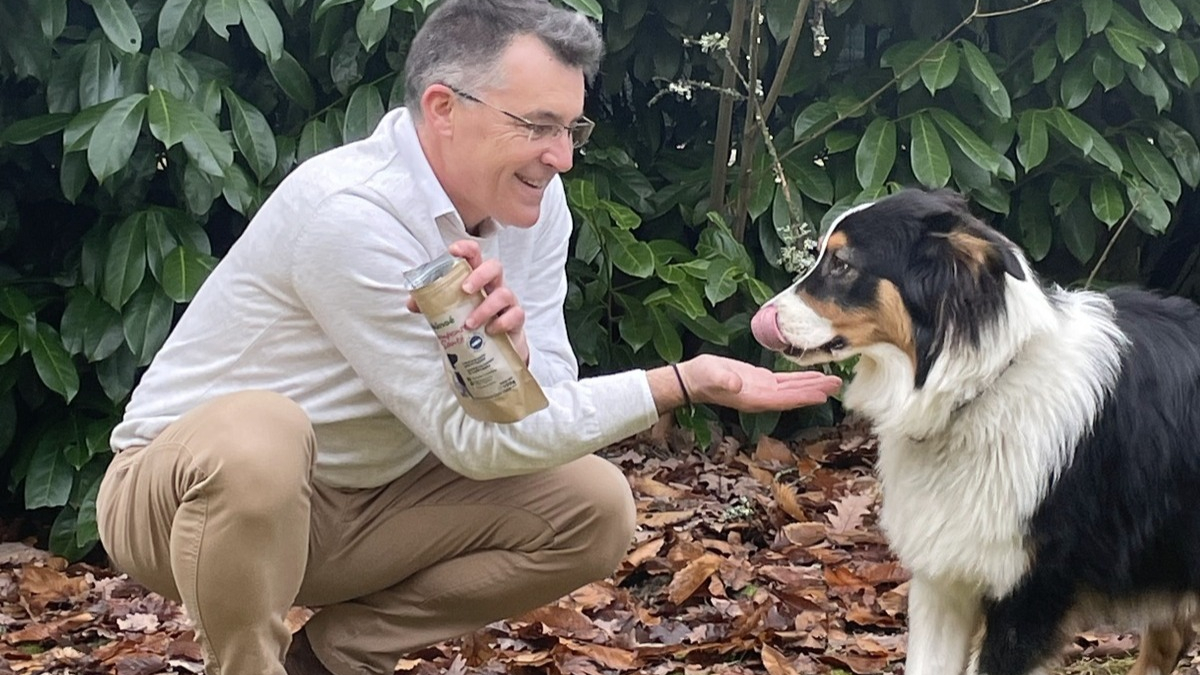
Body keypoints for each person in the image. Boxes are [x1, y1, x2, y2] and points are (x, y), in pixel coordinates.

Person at [95, 1, 843, 674]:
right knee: (263, 435)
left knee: (593, 505)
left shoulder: (537, 209)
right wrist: (677, 383)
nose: (563, 157)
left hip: (363, 505)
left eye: (571, 127)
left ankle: (332, 658)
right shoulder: (351, 214)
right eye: (538, 126)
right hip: (184, 502)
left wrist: (511, 360)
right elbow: (474, 442)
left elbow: (535, 411)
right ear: (443, 107)